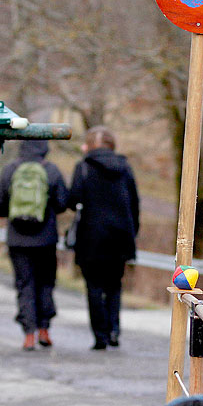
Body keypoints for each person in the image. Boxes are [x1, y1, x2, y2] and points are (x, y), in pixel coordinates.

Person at [0, 140, 68, 350]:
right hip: (46, 239)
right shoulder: (51, 170)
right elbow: (62, 203)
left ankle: (29, 334)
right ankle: (44, 329)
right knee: (45, 283)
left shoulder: (11, 169)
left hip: (18, 239)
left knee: (24, 284)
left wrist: (17, 213)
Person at [68, 126, 139, 350]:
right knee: (114, 286)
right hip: (120, 236)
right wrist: (132, 232)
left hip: (91, 238)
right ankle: (114, 330)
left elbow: (73, 200)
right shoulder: (125, 167)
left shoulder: (84, 168)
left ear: (88, 145)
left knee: (94, 286)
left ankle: (100, 336)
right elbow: (135, 204)